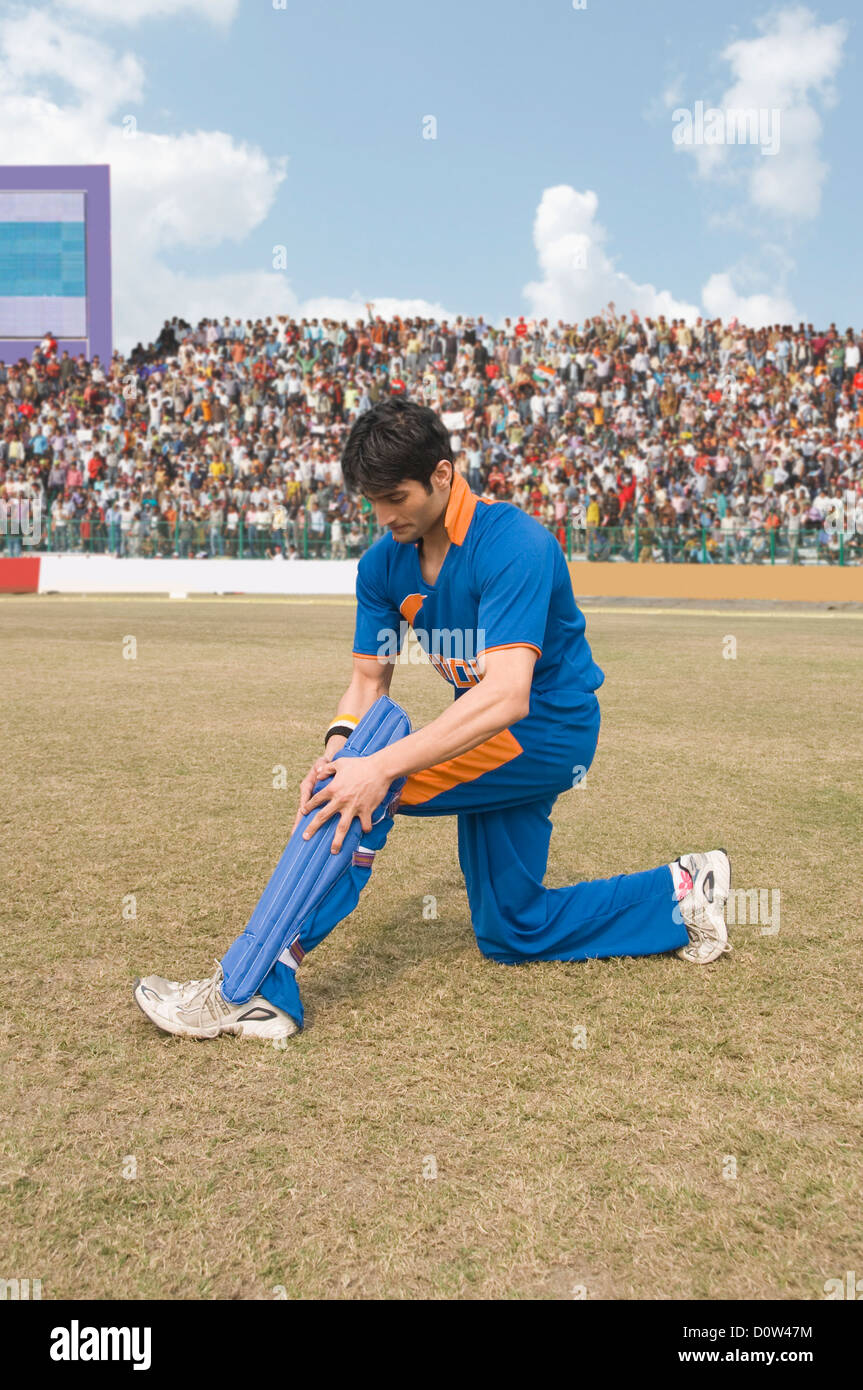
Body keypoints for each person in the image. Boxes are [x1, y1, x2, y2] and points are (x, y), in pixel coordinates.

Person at [134, 400, 733, 1044]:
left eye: (396, 496)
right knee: (513, 928)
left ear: (443, 476)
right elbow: (368, 680)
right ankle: (683, 891)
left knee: (361, 796)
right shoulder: (382, 565)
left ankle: (251, 987)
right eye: (373, 501)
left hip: (546, 730)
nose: (385, 516)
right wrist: (340, 748)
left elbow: (507, 695)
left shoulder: (515, 544)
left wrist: (375, 769)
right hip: (481, 729)